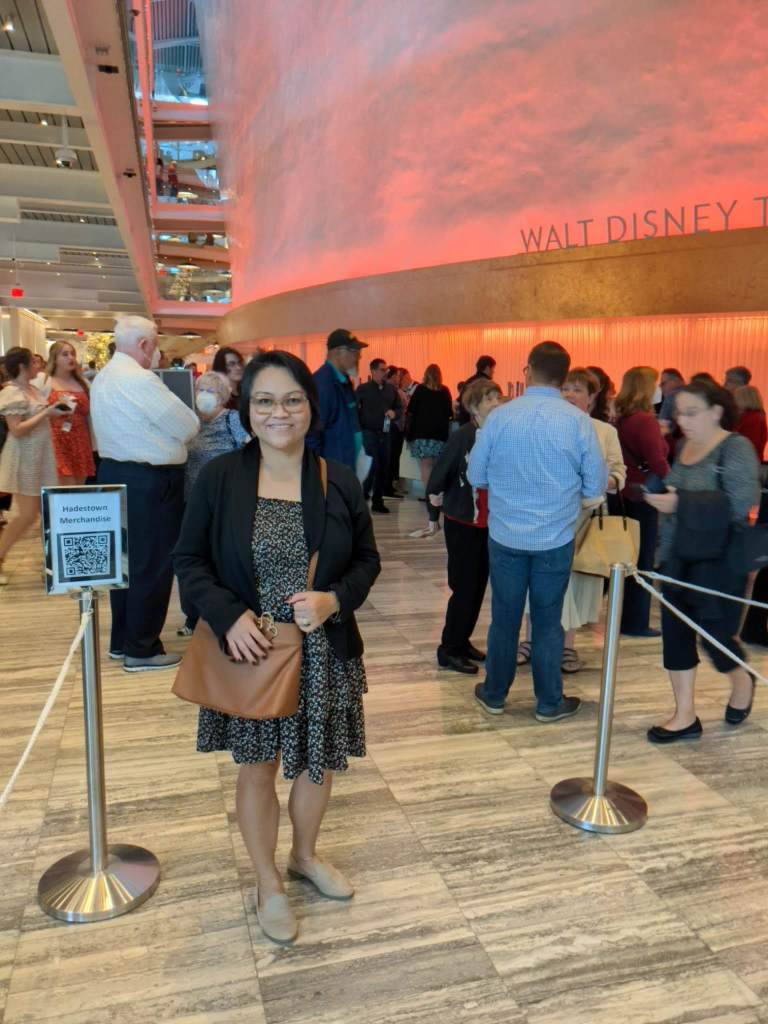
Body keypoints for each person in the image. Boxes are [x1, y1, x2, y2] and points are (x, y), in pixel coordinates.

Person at [174, 350, 380, 945]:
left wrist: (334, 600)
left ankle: (304, 855)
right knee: (258, 766)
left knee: (319, 763)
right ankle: (267, 882)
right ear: (247, 409)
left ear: (310, 407)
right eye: (264, 401)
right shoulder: (221, 477)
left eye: (292, 400)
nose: (279, 413)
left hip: (323, 652)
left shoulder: (338, 479)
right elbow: (189, 559)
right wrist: (228, 616)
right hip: (254, 651)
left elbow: (368, 561)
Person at [468, 341, 607, 720]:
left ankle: (494, 694)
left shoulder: (500, 417)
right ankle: (549, 702)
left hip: (505, 535)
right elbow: (595, 486)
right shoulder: (578, 422)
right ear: (563, 377)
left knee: (504, 618)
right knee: (548, 622)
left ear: (528, 371)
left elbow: (476, 475)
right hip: (555, 538)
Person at [644, 380, 759, 743]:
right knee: (676, 636)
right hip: (678, 557)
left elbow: (742, 506)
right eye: (680, 413)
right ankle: (684, 715)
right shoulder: (683, 446)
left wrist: (681, 502)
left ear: (716, 411)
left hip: (719, 561)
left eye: (691, 412)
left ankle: (741, 679)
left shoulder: (735, 448)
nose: (683, 420)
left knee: (716, 638)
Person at [90, 315, 199, 672]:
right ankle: (142, 649)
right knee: (152, 564)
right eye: (156, 344)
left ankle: (123, 641)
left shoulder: (104, 377)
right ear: (143, 344)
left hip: (114, 473)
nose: (158, 352)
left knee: (126, 564)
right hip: (149, 480)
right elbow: (188, 425)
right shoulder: (140, 379)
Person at [426, 378, 501, 674]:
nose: (495, 403)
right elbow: (439, 474)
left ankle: (462, 640)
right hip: (463, 522)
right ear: (473, 406)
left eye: (497, 398)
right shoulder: (463, 436)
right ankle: (449, 648)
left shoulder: (497, 434)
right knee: (464, 587)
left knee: (478, 586)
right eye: (488, 399)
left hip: (488, 523)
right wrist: (433, 514)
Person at [177, 372, 250, 637]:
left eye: (211, 391)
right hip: (191, 500)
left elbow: (251, 450)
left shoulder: (232, 419)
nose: (204, 395)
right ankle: (193, 616)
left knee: (221, 557)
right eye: (200, 389)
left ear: (223, 396)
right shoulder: (190, 422)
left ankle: (226, 613)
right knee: (193, 557)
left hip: (225, 500)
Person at [0, 347, 64, 586]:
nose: (39, 365)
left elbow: (38, 419)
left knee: (47, 512)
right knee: (27, 515)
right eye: (34, 362)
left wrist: (55, 413)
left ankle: (52, 562)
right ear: (22, 366)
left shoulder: (33, 389)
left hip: (41, 456)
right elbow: (16, 430)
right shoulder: (12, 393)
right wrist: (46, 414)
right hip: (24, 457)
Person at [614, 366, 670, 637]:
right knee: (643, 560)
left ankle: (627, 618)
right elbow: (657, 460)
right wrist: (676, 486)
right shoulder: (645, 420)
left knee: (630, 558)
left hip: (625, 492)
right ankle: (636, 621)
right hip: (644, 494)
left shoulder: (622, 418)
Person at [307, 327, 366, 470]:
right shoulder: (323, 384)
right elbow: (312, 435)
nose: (359, 357)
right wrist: (320, 472)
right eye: (355, 351)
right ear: (338, 352)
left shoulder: (343, 381)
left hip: (346, 466)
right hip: (333, 470)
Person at [406, 364, 452, 533]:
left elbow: (411, 410)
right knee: (437, 466)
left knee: (425, 466)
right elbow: (449, 413)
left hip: (421, 433)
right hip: (439, 435)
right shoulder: (445, 391)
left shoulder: (420, 390)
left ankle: (429, 494)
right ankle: (437, 494)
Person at [44, 341, 95, 486]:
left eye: (72, 354)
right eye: (65, 354)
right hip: (57, 440)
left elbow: (91, 412)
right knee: (65, 489)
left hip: (81, 441)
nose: (71, 358)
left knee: (79, 489)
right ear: (54, 359)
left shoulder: (84, 382)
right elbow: (38, 412)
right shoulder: (45, 382)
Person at [356, 358, 400, 514]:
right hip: (368, 432)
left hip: (385, 433)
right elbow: (354, 410)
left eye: (386, 370)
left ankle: (378, 501)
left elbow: (399, 408)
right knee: (371, 466)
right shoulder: (363, 389)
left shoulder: (391, 390)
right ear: (373, 371)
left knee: (384, 466)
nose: (385, 372)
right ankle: (362, 496)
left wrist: (395, 413)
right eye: (382, 369)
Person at [457, 355, 496, 424]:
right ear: (487, 368)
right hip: (478, 422)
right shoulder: (486, 384)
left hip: (465, 422)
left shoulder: (469, 381)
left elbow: (460, 400)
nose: (493, 371)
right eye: (493, 368)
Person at [733, 385, 767, 462]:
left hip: (744, 462)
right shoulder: (757, 416)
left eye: (736, 397)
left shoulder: (752, 418)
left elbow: (748, 445)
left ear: (744, 399)